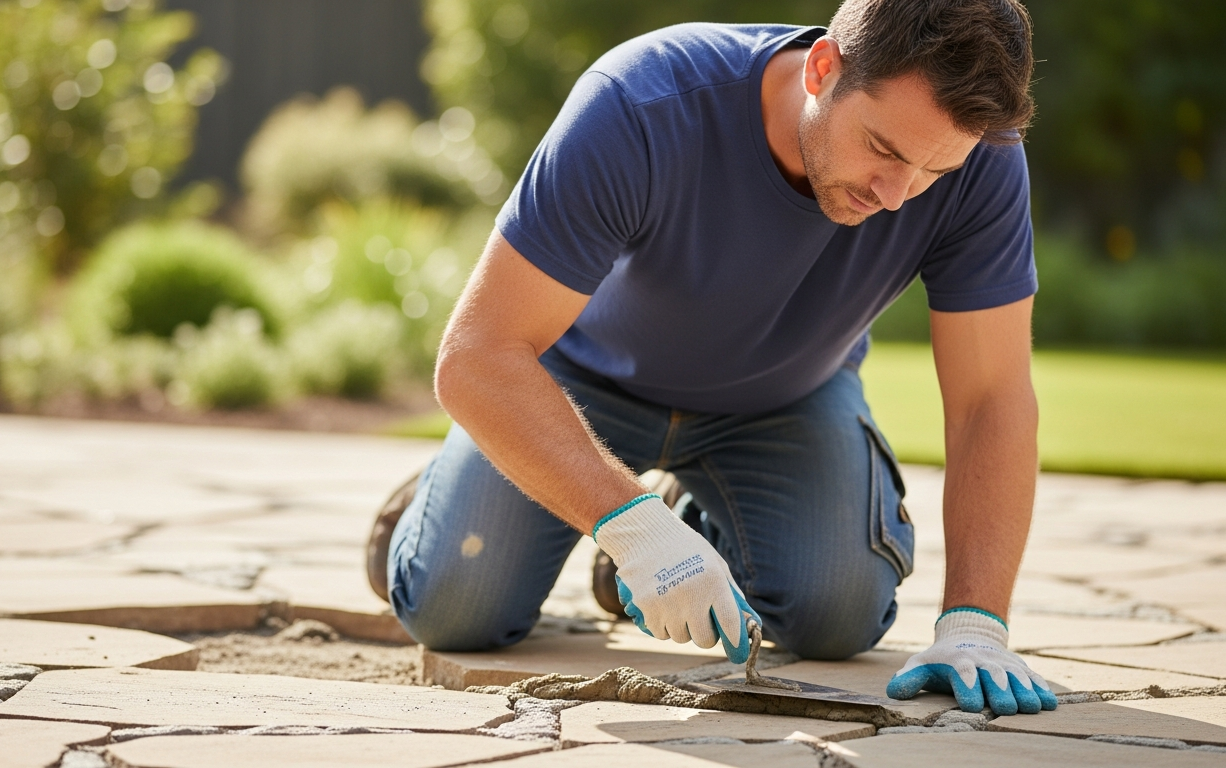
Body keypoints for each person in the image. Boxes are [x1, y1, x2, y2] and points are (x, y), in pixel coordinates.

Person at [370, 0, 1058, 716]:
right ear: (825, 67)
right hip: (582, 383)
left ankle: (679, 525)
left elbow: (991, 396)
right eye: (885, 149)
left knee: (838, 616)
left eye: (932, 171)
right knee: (456, 608)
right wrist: (630, 527)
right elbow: (477, 356)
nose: (897, 196)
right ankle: (487, 497)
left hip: (785, 398)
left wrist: (977, 623)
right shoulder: (642, 103)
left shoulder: (984, 158)